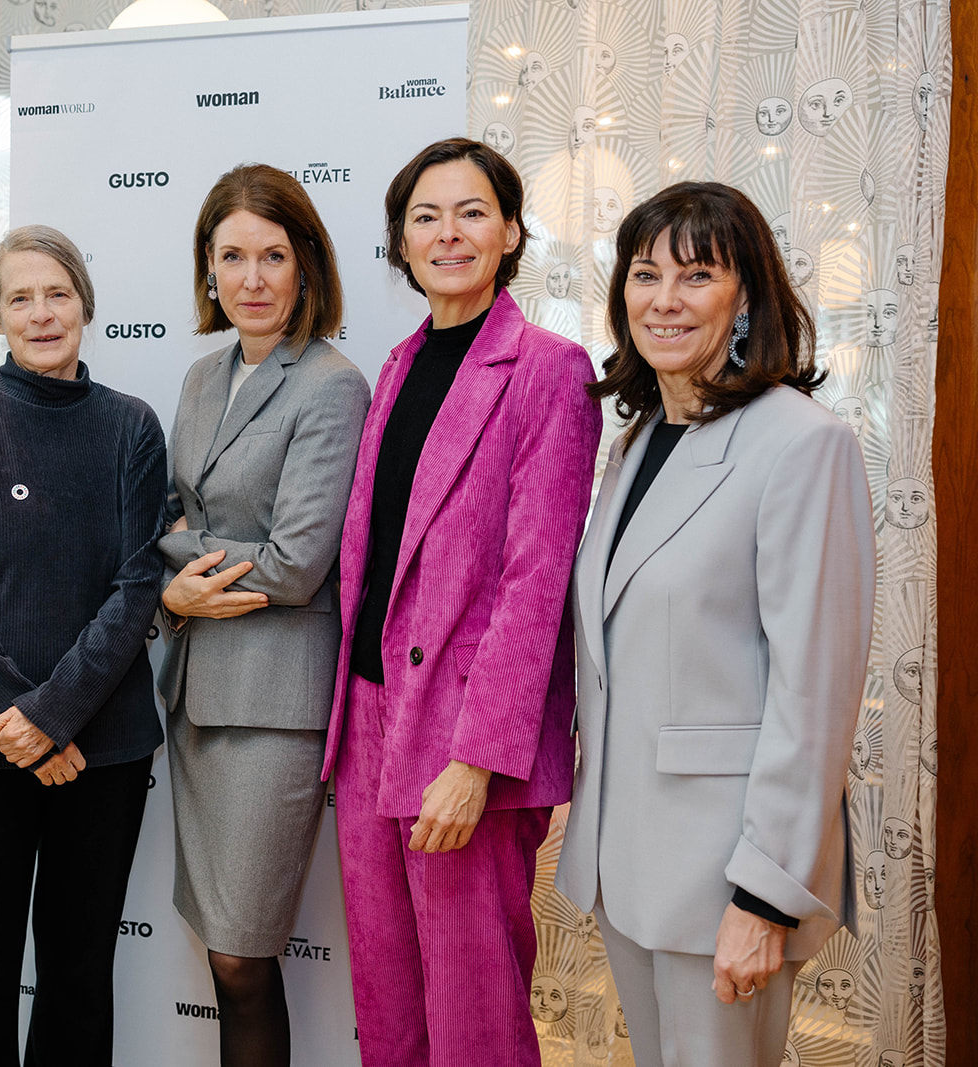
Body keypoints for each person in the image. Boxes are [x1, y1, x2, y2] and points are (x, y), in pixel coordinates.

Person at [554, 181, 875, 1067]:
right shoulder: (637, 441)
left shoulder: (801, 442)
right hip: (627, 861)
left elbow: (815, 695)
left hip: (725, 872)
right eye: (645, 273)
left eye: (696, 276)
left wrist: (766, 896)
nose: (664, 299)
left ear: (747, 298)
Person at [320, 138, 602, 1065]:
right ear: (401, 242)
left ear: (511, 232)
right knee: (388, 1000)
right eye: (426, 217)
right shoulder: (398, 363)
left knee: (474, 1014)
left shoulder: (550, 367)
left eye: (472, 212)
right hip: (369, 717)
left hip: (464, 734)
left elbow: (536, 582)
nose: (449, 234)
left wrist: (476, 762)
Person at [0, 225, 165, 1067]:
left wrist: (51, 716)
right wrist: (23, 718)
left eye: (58, 293)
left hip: (102, 748)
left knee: (79, 983)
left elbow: (138, 583)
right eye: (21, 297)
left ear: (85, 304)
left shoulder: (131, 428)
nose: (42, 313)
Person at [157, 163, 369, 1067]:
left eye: (273, 256)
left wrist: (181, 552)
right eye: (232, 256)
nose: (251, 278)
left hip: (274, 709)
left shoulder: (331, 384)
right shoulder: (203, 376)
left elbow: (295, 562)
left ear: (305, 265)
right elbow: (168, 508)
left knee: (244, 956)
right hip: (197, 702)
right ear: (208, 268)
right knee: (221, 951)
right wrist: (178, 554)